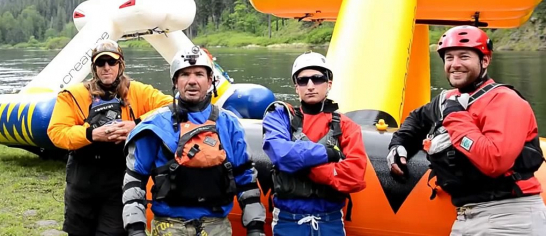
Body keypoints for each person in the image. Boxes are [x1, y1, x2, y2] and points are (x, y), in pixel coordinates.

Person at [387, 25, 546, 235]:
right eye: (449, 58)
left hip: (509, 217)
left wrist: (455, 116)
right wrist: (399, 144)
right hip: (466, 216)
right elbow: (417, 118)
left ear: (485, 61)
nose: (455, 64)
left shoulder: (505, 101)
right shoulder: (447, 99)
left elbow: (494, 160)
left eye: (464, 57)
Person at [121, 45, 267, 236]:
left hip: (216, 224)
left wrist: (255, 227)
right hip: (169, 225)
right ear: (175, 82)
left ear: (210, 80)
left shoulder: (229, 124)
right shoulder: (155, 126)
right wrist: (135, 229)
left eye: (199, 74)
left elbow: (245, 178)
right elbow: (135, 180)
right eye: (184, 75)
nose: (192, 81)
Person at [47, 39, 173, 236]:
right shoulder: (72, 95)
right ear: (94, 68)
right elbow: (57, 132)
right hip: (83, 177)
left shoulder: (139, 92)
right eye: (100, 63)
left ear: (120, 65)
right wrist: (91, 134)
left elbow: (172, 107)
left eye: (111, 62)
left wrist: (137, 124)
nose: (106, 68)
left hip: (120, 177)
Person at [262, 52, 367, 236]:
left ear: (329, 84)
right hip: (288, 221)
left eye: (317, 79)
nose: (310, 86)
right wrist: (330, 155)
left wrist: (305, 169)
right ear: (296, 87)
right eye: (303, 81)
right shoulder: (280, 117)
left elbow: (356, 176)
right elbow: (281, 154)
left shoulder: (347, 126)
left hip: (330, 221)